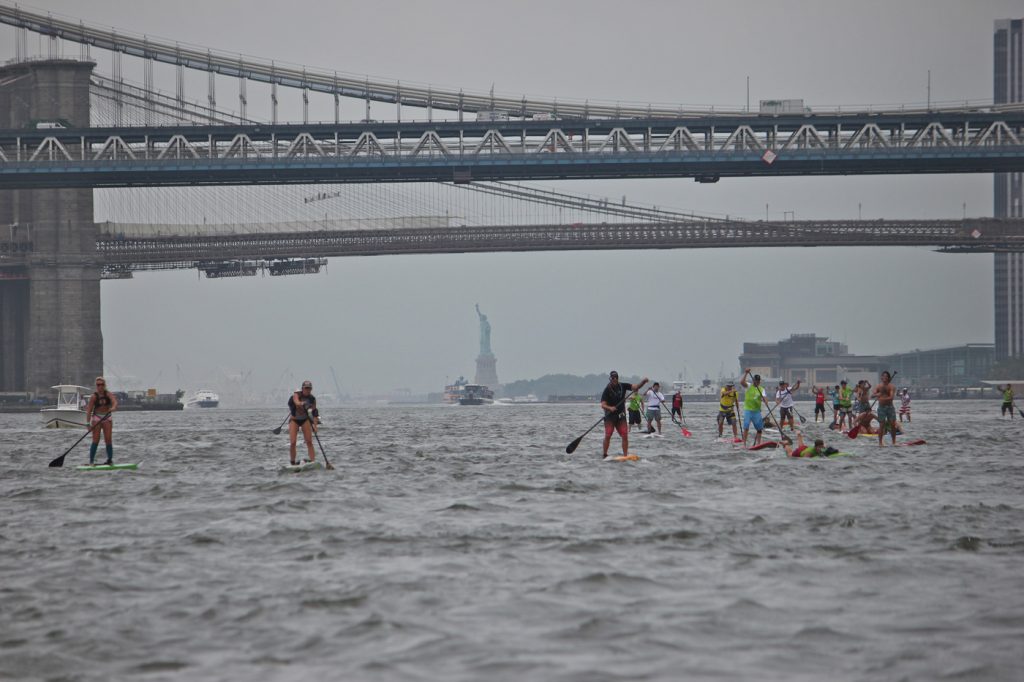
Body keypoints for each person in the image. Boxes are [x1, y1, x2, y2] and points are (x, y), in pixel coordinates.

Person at [601, 371, 648, 459]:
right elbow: (603, 405)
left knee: (625, 435)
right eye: (613, 378)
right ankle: (604, 454)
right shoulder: (607, 389)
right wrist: (610, 408)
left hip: (621, 416)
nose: (615, 379)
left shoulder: (623, 386)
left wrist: (643, 382)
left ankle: (625, 455)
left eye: (616, 377)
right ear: (610, 379)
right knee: (608, 435)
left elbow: (636, 387)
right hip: (610, 416)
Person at [85, 376, 118, 465]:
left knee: (108, 439)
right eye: (98, 385)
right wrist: (88, 424)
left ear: (104, 385)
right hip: (97, 418)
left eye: (102, 385)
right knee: (96, 440)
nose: (100, 387)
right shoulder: (93, 396)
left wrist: (113, 407)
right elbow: (89, 411)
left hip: (107, 417)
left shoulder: (108, 394)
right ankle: (91, 461)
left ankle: (109, 460)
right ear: (96, 386)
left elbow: (114, 401)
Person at [288, 380, 321, 465]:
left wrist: (315, 426)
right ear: (302, 388)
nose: (307, 390)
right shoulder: (297, 394)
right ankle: (292, 462)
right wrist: (302, 403)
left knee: (309, 441)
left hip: (305, 419)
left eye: (309, 388)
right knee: (292, 442)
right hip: (294, 420)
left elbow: (314, 413)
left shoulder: (312, 399)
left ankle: (313, 461)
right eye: (306, 388)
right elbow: (296, 402)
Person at [739, 369, 766, 447]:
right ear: (753, 380)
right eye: (756, 380)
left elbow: (764, 397)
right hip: (748, 410)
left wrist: (765, 401)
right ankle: (744, 444)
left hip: (756, 411)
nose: (757, 382)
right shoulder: (748, 385)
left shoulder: (761, 389)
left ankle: (758, 444)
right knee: (746, 426)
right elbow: (741, 382)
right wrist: (746, 373)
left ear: (759, 381)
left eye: (758, 381)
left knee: (759, 429)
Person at [873, 371, 898, 445]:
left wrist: (882, 398)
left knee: (893, 424)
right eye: (883, 376)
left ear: (888, 378)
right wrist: (878, 394)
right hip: (881, 408)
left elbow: (891, 397)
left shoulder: (891, 386)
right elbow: (873, 393)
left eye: (886, 376)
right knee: (881, 425)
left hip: (890, 407)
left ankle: (894, 442)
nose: (885, 378)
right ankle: (880, 443)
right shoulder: (879, 386)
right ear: (881, 377)